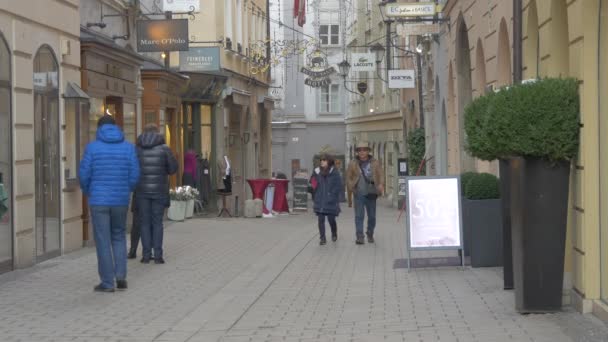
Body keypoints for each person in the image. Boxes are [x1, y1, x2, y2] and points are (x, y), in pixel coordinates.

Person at [79, 115, 140, 292]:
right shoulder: (129, 148)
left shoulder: (92, 148)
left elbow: (84, 175)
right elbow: (135, 175)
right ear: (116, 128)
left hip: (98, 200)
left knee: (103, 240)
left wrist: (89, 191)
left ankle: (107, 282)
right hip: (120, 200)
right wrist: (125, 189)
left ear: (99, 128)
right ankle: (121, 277)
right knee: (119, 236)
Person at [135, 123, 178, 264]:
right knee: (157, 222)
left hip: (142, 191)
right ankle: (158, 256)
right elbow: (172, 170)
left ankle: (146, 255)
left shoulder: (137, 149)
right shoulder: (164, 148)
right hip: (159, 190)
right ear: (158, 133)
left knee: (144, 223)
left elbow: (132, 169)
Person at [346, 141, 385, 245]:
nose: (362, 152)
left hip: (372, 192)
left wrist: (381, 184)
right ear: (357, 152)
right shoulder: (353, 163)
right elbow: (348, 177)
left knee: (372, 217)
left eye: (364, 150)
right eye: (360, 150)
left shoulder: (375, 162)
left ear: (368, 151)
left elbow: (381, 174)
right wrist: (352, 187)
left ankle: (370, 233)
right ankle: (360, 236)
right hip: (359, 193)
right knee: (359, 216)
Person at [312, 154, 343, 245]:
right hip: (320, 199)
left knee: (331, 219)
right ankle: (322, 238)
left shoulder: (334, 172)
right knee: (320, 219)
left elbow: (338, 186)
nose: (322, 161)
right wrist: (313, 186)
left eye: (324, 160)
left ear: (329, 161)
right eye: (321, 160)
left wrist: (332, 195)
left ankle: (334, 233)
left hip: (330, 200)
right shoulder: (316, 171)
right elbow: (313, 182)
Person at [127, 192, 140, 259]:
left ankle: (133, 250)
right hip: (152, 197)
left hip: (138, 198)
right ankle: (148, 252)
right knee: (137, 226)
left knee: (136, 226)